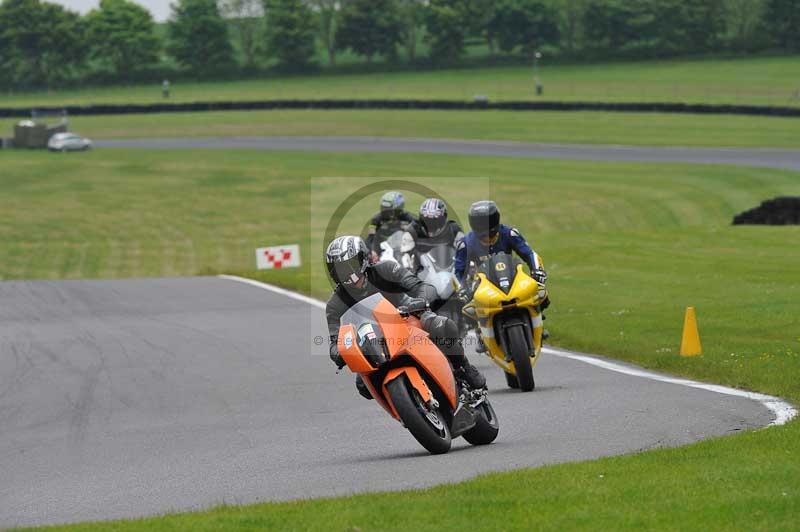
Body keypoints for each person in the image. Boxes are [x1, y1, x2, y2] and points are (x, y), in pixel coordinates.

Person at [325, 235, 486, 398]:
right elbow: (334, 341)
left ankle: (463, 368)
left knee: (442, 326)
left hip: (406, 318)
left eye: (351, 265)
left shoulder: (385, 270)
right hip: (373, 344)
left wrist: (420, 300)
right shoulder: (335, 304)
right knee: (363, 385)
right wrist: (340, 352)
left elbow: (421, 286)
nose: (348, 273)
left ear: (363, 260)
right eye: (341, 270)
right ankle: (404, 408)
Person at [455, 200, 549, 349]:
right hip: (483, 282)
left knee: (540, 290)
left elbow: (529, 254)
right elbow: (458, 271)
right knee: (467, 307)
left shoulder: (509, 233)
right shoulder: (465, 243)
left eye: (491, 236)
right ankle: (481, 331)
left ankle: (538, 320)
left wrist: (537, 271)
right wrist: (462, 288)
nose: (488, 240)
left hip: (512, 275)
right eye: (484, 237)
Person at [364, 191, 415, 259]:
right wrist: (371, 252)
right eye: (383, 208)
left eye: (388, 210)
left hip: (402, 250)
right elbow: (370, 238)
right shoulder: (375, 220)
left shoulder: (408, 219)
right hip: (382, 252)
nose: (385, 212)